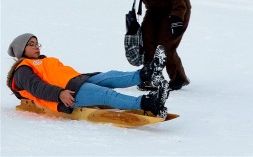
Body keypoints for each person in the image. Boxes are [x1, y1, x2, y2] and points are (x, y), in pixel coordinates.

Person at [6, 33, 170, 118]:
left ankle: (148, 73)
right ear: (22, 50)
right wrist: (59, 94)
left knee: (109, 76)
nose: (37, 47)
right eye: (31, 45)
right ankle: (149, 103)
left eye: (37, 43)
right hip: (68, 93)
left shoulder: (42, 60)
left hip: (77, 80)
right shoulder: (22, 70)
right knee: (105, 94)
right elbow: (37, 88)